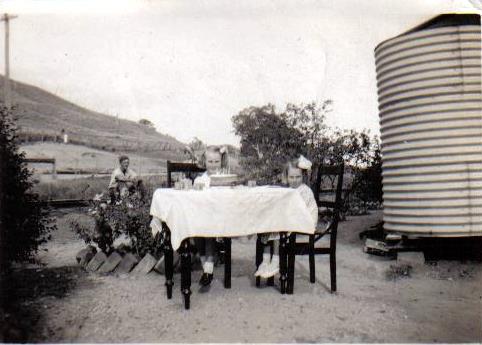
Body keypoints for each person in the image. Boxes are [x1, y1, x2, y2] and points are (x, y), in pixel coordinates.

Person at [254, 155, 319, 278]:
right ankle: (265, 260)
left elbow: (299, 212)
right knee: (268, 223)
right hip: (295, 218)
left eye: (298, 177)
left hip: (306, 220)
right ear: (287, 177)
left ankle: (276, 261)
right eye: (291, 177)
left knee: (279, 224)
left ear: (303, 176)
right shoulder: (291, 189)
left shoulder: (304, 190)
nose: (294, 180)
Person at [193, 145, 229, 286]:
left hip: (218, 216)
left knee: (208, 232)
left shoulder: (223, 178)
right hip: (202, 216)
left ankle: (208, 270)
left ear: (221, 162)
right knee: (197, 232)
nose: (213, 165)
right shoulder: (199, 180)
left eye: (216, 162)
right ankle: (206, 267)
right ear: (204, 162)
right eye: (210, 162)